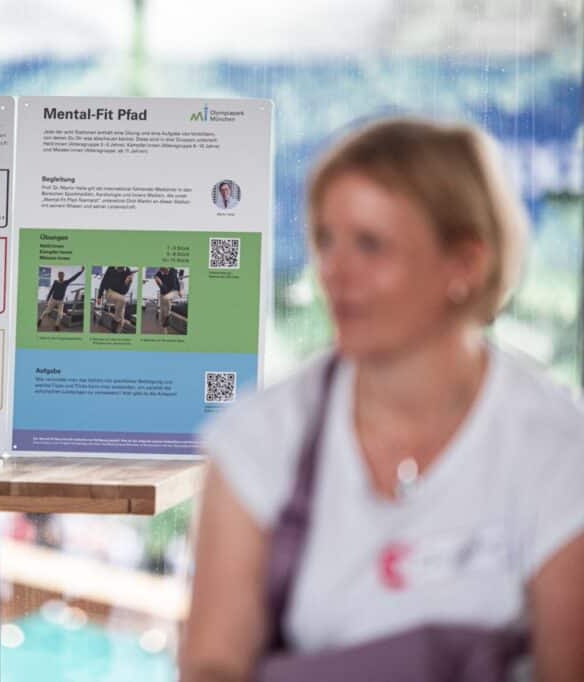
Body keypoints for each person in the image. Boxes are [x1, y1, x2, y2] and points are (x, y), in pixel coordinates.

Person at [181, 119, 584, 681]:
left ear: (465, 264)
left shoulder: (556, 446)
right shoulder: (260, 437)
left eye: (371, 245)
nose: (335, 274)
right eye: (325, 240)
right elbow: (212, 666)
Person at [96, 266, 134, 333]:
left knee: (121, 320)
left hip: (120, 296)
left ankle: (116, 333)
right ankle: (116, 320)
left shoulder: (128, 271)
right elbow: (103, 282)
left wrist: (127, 283)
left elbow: (124, 291)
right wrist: (99, 296)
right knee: (122, 301)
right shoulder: (111, 268)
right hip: (110, 292)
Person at [153, 267, 183, 333]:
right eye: (162, 272)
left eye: (164, 272)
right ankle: (164, 328)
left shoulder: (173, 270)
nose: (163, 273)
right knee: (162, 311)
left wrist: (180, 290)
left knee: (166, 299)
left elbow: (176, 281)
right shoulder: (158, 275)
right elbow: (164, 289)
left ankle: (168, 315)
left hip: (173, 291)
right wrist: (160, 283)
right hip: (164, 292)